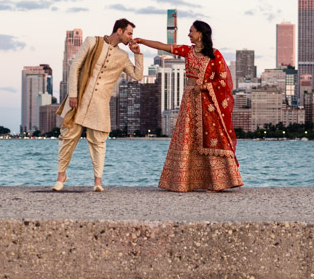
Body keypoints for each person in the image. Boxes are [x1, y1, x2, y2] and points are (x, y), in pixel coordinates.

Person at [135, 20, 243, 192]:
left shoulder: (214, 55)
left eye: (191, 31)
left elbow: (222, 80)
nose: (189, 34)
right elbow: (165, 46)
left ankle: (218, 182)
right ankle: (185, 182)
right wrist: (142, 41)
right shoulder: (187, 51)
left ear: (200, 33)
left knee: (212, 137)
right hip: (189, 101)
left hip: (207, 103)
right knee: (187, 138)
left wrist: (205, 87)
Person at [53, 18, 143, 192]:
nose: (131, 37)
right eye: (129, 33)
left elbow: (137, 75)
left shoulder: (123, 56)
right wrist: (73, 94)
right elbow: (75, 66)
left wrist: (137, 54)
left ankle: (97, 182)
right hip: (80, 98)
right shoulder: (92, 42)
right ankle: (61, 176)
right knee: (68, 138)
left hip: (100, 105)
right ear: (119, 31)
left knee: (98, 142)